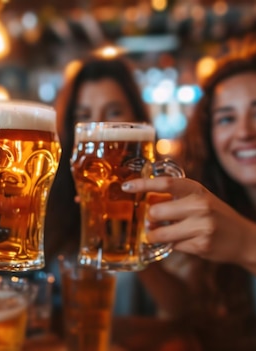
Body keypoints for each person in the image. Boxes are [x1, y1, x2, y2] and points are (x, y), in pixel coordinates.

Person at [121, 36, 256, 349]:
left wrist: (248, 243)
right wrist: (131, 245)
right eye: (227, 118)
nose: (244, 132)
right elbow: (199, 316)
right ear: (210, 138)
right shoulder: (230, 210)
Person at [42, 56, 167, 323]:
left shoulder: (159, 199)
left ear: (138, 121)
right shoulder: (47, 191)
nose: (98, 127)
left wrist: (136, 246)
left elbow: (184, 309)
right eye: (84, 116)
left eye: (113, 113)